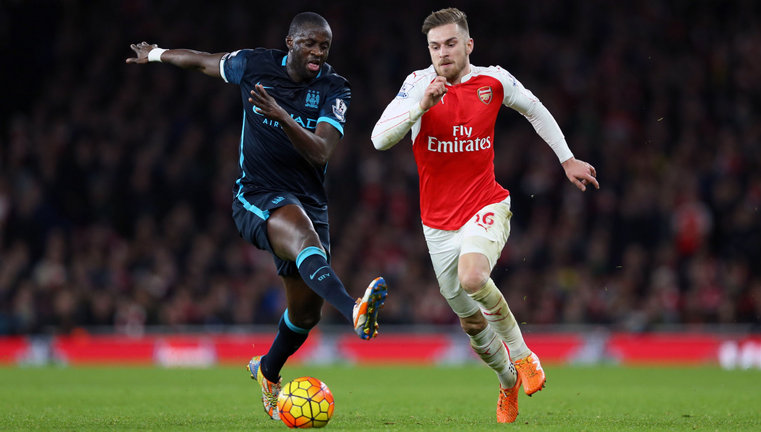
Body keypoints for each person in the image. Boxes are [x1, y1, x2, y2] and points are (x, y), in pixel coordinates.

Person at [127, 12, 387, 422]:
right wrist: (157, 54)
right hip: (258, 194)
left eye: (325, 46)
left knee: (304, 314)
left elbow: (321, 152)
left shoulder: (335, 88)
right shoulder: (254, 65)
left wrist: (282, 115)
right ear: (290, 42)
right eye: (311, 43)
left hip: (309, 202)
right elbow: (203, 60)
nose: (318, 52)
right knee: (303, 239)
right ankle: (354, 308)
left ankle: (267, 372)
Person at [371, 7, 598, 424]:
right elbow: (379, 139)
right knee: (472, 324)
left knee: (473, 277)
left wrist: (566, 160)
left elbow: (535, 108)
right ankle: (508, 380)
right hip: (437, 225)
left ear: (468, 44)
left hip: (486, 204)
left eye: (451, 44)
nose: (443, 53)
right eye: (435, 46)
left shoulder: (494, 79)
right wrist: (421, 106)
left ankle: (525, 356)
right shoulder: (417, 85)